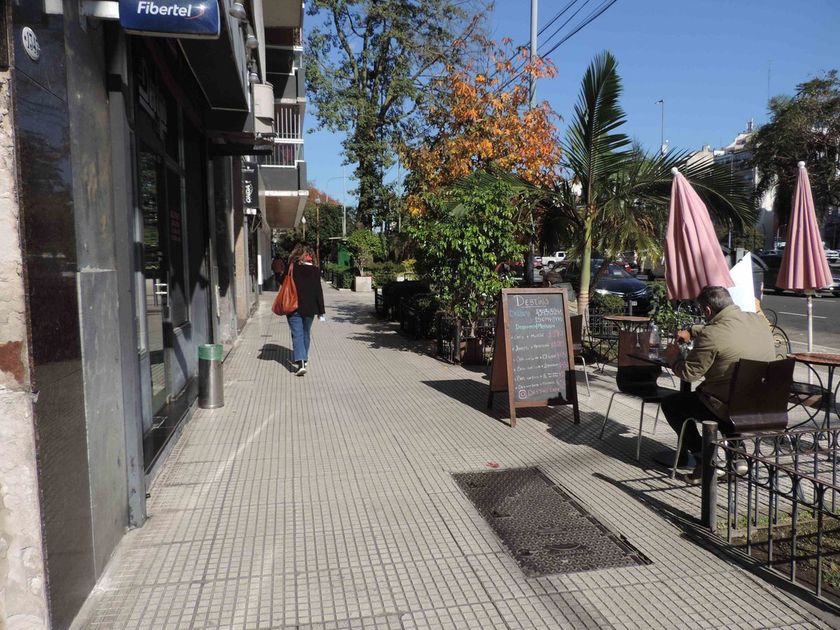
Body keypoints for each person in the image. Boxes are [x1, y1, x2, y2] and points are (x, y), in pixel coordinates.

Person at [661, 285, 775, 479]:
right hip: (763, 404)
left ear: (707, 310)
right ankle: (738, 458)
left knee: (673, 405)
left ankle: (704, 458)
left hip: (727, 406)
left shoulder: (712, 335)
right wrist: (692, 330)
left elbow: (689, 374)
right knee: (725, 399)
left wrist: (673, 358)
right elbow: (725, 328)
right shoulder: (758, 321)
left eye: (702, 312)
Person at [283, 243, 325, 376]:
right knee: (306, 333)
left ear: (296, 254)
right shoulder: (315, 270)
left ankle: (301, 362)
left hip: (293, 306)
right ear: (311, 255)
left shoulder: (291, 267)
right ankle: (304, 359)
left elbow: (282, 281)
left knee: (297, 334)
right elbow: (318, 291)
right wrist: (321, 311)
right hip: (310, 308)